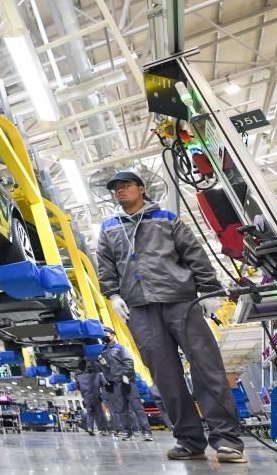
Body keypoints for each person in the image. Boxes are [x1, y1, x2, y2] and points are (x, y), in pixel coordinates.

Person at [97, 170, 245, 463]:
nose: (120, 191)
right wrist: (113, 295)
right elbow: (105, 264)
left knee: (207, 367)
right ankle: (189, 440)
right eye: (115, 188)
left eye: (125, 185)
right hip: (140, 307)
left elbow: (193, 253)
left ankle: (227, 440)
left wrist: (210, 290)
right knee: (165, 376)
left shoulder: (167, 219)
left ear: (142, 188)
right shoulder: (109, 228)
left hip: (181, 301)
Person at [97, 327, 150, 441]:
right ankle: (127, 432)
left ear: (113, 335)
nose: (104, 336)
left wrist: (127, 376)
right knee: (121, 409)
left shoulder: (120, 348)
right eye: (103, 334)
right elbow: (106, 369)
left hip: (127, 382)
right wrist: (105, 370)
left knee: (137, 407)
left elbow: (128, 361)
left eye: (106, 333)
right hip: (115, 384)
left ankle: (146, 432)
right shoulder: (103, 352)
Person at [75, 360, 108, 436]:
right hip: (95, 396)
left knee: (90, 413)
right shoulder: (97, 375)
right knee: (98, 413)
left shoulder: (79, 377)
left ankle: (90, 428)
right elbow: (104, 384)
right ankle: (102, 429)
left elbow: (78, 387)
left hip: (86, 397)